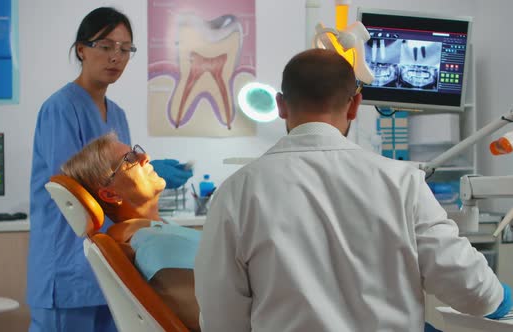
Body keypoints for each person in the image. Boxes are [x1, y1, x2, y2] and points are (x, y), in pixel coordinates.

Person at [194, 48, 512, 331]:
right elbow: (475, 293)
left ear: (280, 105)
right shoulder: (403, 183)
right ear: (355, 105)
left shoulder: (236, 192)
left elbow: (221, 317)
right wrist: (500, 297)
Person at [27, 7, 192, 332]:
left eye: (124, 49)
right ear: (81, 49)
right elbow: (75, 185)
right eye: (105, 46)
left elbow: (119, 189)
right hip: (68, 265)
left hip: (113, 267)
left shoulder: (116, 114)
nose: (116, 57)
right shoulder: (61, 108)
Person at [59, 132, 200, 331]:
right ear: (111, 194)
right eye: (129, 159)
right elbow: (215, 317)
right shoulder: (155, 246)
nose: (146, 157)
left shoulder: (159, 232)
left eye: (136, 151)